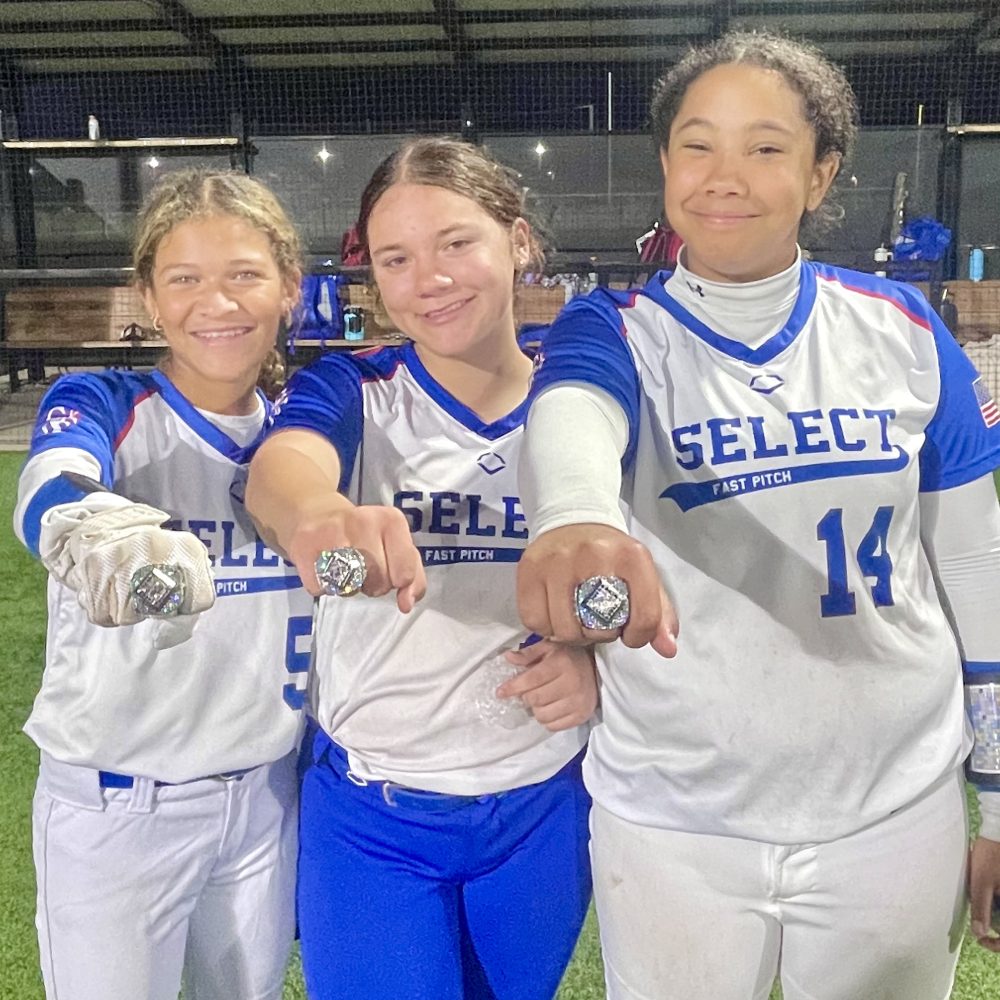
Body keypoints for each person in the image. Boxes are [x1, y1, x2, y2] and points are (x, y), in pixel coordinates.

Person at [515, 30, 1000, 1000]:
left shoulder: (903, 328)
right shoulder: (615, 328)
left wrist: (996, 793)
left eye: (766, 147)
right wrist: (573, 516)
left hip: (893, 808)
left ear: (821, 174)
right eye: (696, 145)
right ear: (665, 166)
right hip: (674, 820)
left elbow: (973, 562)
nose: (723, 175)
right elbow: (572, 413)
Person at [246, 136, 597, 1000]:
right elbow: (279, 474)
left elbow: (649, 571)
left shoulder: (584, 404)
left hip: (542, 806)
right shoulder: (354, 389)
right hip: (375, 814)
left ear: (518, 241)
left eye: (455, 243)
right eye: (396, 259)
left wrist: (597, 659)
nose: (429, 279)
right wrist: (320, 516)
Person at [13, 168, 311, 1000]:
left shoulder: (306, 440)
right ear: (147, 295)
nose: (217, 302)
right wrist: (87, 527)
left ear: (289, 285)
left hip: (263, 803)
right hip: (120, 808)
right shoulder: (108, 401)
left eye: (244, 274)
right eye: (184, 279)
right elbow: (53, 481)